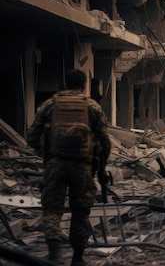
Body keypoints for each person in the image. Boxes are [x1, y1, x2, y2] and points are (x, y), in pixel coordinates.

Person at [25, 69, 111, 266]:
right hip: (83, 166)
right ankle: (78, 258)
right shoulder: (92, 107)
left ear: (64, 84)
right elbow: (105, 142)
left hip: (55, 165)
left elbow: (31, 137)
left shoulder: (49, 105)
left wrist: (47, 154)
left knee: (52, 210)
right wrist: (100, 166)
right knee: (80, 212)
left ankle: (55, 254)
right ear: (84, 86)